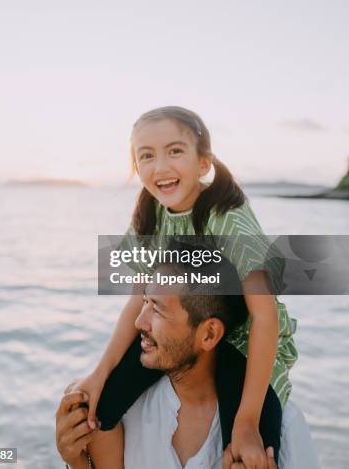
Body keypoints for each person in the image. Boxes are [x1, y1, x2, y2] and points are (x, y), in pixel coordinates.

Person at [65, 106, 298, 466]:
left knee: (250, 452)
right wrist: (100, 373)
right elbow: (136, 304)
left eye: (174, 151)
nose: (160, 166)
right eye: (146, 156)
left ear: (203, 162)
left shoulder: (229, 217)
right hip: (181, 335)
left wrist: (248, 419)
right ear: (136, 168)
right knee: (101, 406)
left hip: (241, 341)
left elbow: (265, 317)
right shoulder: (150, 216)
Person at [56, 272, 319, 468]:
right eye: (144, 302)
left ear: (209, 334)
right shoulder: (120, 408)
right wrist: (76, 460)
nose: (139, 322)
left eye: (157, 309)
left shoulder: (281, 429)